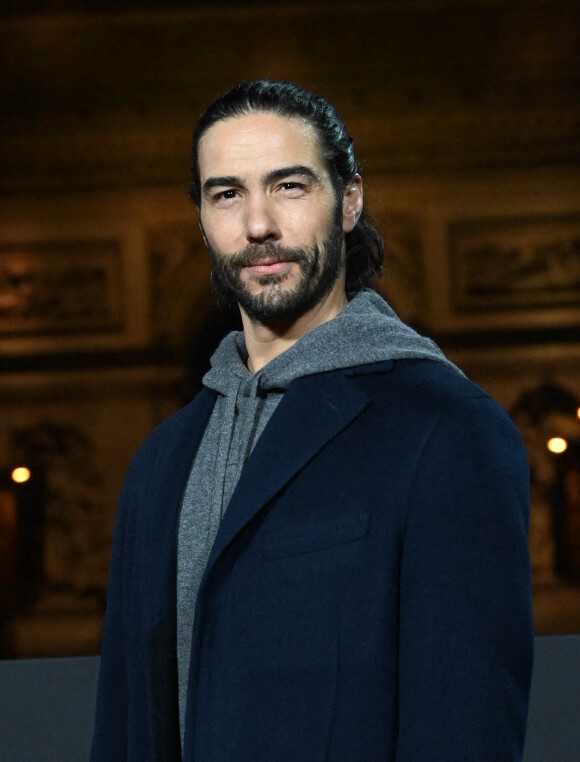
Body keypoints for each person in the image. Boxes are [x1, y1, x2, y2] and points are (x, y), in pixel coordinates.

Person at [91, 80, 533, 761]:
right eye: (227, 193)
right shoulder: (161, 460)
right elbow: (126, 730)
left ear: (348, 200)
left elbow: (463, 727)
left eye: (289, 186)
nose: (258, 224)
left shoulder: (447, 428)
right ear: (202, 217)